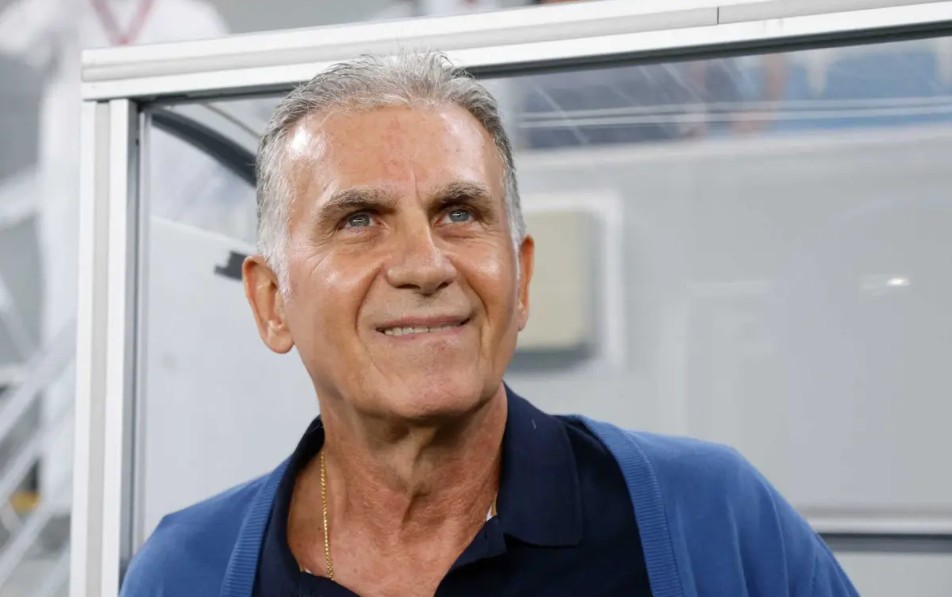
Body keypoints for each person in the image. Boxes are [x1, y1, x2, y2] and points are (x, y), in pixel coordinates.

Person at [120, 51, 858, 596]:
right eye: (359, 219)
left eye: (459, 212)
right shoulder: (185, 573)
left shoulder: (712, 520)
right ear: (271, 302)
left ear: (521, 277)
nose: (425, 264)